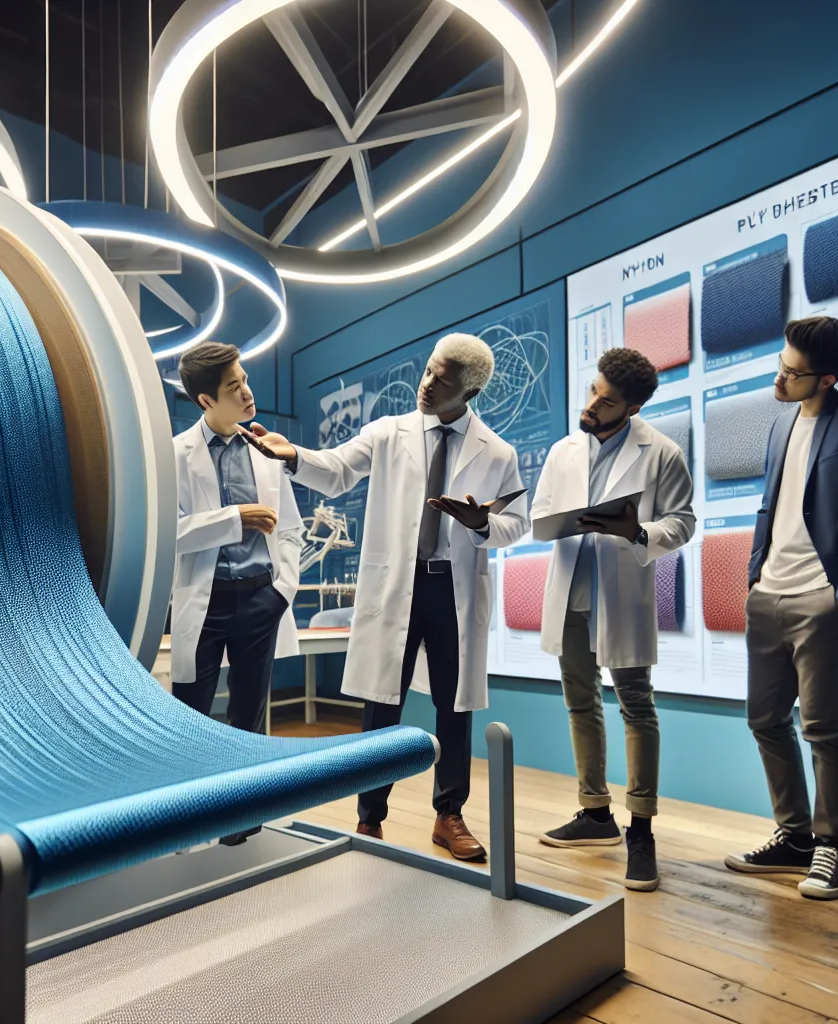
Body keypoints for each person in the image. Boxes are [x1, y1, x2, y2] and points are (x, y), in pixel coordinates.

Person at [243, 333, 529, 861]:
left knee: (455, 704)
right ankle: (369, 817)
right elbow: (337, 469)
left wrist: (481, 524)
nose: (427, 384)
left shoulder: (498, 452)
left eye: (442, 380)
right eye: (428, 370)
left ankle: (449, 814)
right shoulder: (388, 432)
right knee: (382, 702)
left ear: (469, 392)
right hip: (399, 583)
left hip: (453, 588)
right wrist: (293, 455)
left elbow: (517, 523)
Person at [723, 316, 838, 900]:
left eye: (792, 374)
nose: (779, 380)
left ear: (826, 379)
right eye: (780, 365)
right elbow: (769, 506)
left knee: (823, 727)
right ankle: (793, 836)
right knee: (765, 721)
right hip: (768, 594)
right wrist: (754, 576)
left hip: (822, 598)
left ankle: (830, 847)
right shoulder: (781, 423)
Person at [532, 348, 694, 893]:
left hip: (620, 594)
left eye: (607, 401)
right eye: (593, 391)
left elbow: (683, 522)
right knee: (580, 701)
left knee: (636, 707)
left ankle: (640, 830)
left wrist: (638, 532)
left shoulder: (662, 453)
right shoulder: (563, 450)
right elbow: (541, 512)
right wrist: (553, 522)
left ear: (633, 407)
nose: (593, 405)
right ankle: (595, 812)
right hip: (571, 591)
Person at [170, 343, 303, 844]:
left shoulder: (265, 451)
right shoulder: (175, 454)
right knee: (190, 716)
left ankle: (241, 821)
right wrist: (234, 519)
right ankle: (188, 822)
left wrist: (281, 592)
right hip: (204, 603)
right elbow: (166, 532)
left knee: (248, 717)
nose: (248, 393)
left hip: (259, 600)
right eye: (234, 387)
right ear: (206, 401)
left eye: (245, 379)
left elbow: (291, 530)